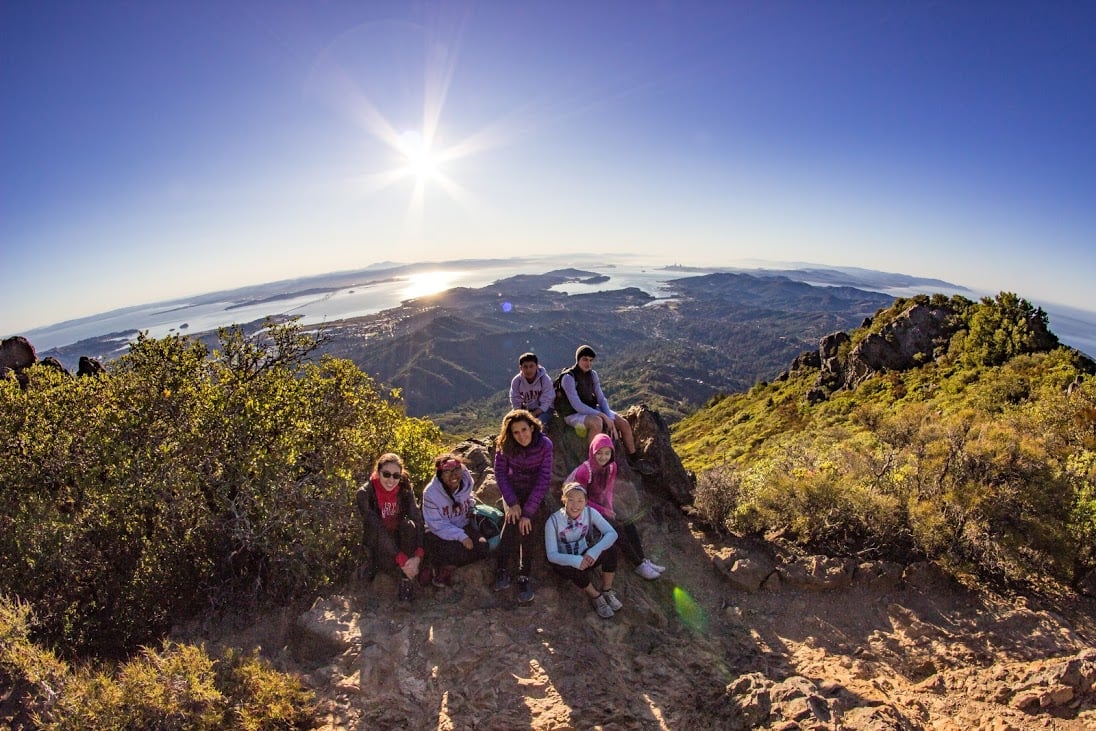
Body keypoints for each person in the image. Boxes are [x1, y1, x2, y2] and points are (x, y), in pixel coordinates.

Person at [566, 433, 666, 580]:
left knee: (627, 521)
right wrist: (603, 510)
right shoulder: (584, 471)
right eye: (599, 453)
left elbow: (608, 489)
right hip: (582, 505)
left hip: (598, 502)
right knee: (614, 529)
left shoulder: (612, 466)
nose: (603, 457)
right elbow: (581, 500)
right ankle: (638, 565)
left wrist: (609, 507)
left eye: (607, 453)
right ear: (592, 452)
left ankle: (644, 560)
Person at [557, 344, 656, 475]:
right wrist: (603, 417)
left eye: (591, 360)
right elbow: (577, 405)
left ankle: (634, 459)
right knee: (596, 423)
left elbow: (601, 398)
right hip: (572, 414)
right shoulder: (568, 378)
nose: (588, 363)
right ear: (578, 359)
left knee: (624, 424)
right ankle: (592, 462)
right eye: (585, 359)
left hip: (591, 409)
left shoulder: (593, 375)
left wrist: (609, 416)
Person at [493, 408, 553, 603]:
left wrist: (527, 512)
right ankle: (501, 569)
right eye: (516, 432)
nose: (521, 436)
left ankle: (523, 575)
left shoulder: (544, 445)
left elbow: (544, 479)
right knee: (510, 523)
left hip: (533, 491)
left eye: (524, 430)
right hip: (512, 491)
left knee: (526, 527)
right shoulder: (504, 445)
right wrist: (512, 503)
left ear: (532, 428)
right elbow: (500, 474)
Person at [355, 453, 425, 603]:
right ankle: (399, 572)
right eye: (386, 474)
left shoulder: (404, 487)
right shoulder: (365, 493)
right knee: (390, 562)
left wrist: (418, 555)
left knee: (409, 525)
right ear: (377, 471)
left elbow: (417, 519)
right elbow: (377, 529)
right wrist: (401, 558)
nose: (391, 480)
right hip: (379, 544)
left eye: (396, 476)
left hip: (400, 538)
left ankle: (406, 583)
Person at [545, 483, 621, 619]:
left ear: (586, 502)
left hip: (586, 554)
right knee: (573, 569)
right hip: (565, 560)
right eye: (571, 500)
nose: (575, 505)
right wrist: (575, 561)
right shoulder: (553, 521)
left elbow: (612, 533)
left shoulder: (590, 513)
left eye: (580, 500)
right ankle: (596, 597)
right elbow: (551, 555)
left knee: (611, 549)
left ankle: (607, 590)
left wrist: (594, 551)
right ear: (564, 500)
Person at [422, 452, 490, 586]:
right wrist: (461, 537)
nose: (453, 475)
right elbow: (437, 525)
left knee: (483, 546)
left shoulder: (466, 480)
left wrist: (472, 508)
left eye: (456, 469)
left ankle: (448, 564)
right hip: (438, 532)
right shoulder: (431, 494)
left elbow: (467, 497)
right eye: (447, 471)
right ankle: (441, 567)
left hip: (462, 524)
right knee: (454, 549)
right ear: (440, 474)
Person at [508, 352, 555, 429]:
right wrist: (523, 414)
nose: (528, 370)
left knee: (537, 425)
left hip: (544, 410)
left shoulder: (544, 379)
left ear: (537, 366)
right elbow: (515, 401)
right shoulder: (517, 381)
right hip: (526, 410)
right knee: (510, 423)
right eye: (525, 367)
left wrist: (534, 413)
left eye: (531, 366)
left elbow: (547, 401)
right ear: (520, 368)